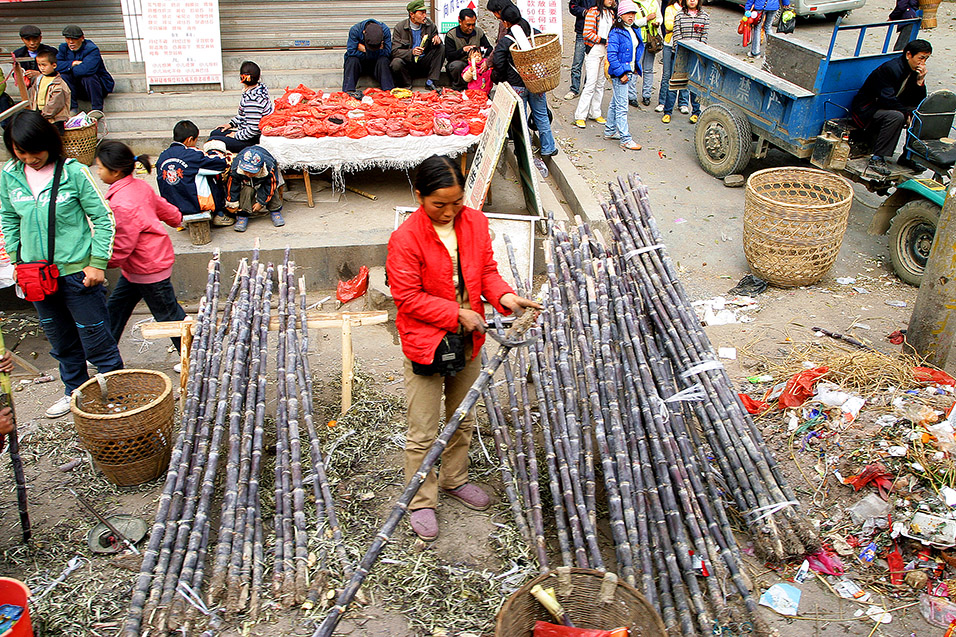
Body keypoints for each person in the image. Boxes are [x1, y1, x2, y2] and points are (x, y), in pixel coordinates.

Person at [386, 155, 541, 542]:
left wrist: (505, 297)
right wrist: (458, 313)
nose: (449, 211)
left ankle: (454, 478)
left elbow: (486, 270)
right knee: (422, 430)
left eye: (456, 202)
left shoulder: (474, 222)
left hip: (467, 339)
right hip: (425, 341)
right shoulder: (406, 239)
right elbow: (407, 298)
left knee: (463, 417)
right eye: (439, 204)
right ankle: (421, 499)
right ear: (419, 196)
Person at [0, 111, 122, 419]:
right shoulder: (9, 176)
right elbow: (9, 219)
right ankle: (74, 393)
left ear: (50, 143)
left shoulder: (73, 172)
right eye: (20, 151)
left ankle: (116, 395)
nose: (30, 158)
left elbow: (104, 219)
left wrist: (96, 264)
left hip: (77, 275)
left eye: (35, 150)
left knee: (97, 340)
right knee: (61, 341)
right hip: (36, 276)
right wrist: (17, 260)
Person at [95, 141, 187, 358]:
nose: (97, 172)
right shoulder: (138, 186)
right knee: (116, 309)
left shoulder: (121, 202)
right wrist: (177, 219)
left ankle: (193, 359)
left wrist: (99, 263)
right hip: (138, 268)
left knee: (169, 316)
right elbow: (164, 208)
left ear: (115, 171)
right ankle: (104, 355)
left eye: (100, 168)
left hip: (148, 268)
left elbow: (122, 246)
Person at [851, 39, 930, 177]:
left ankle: (908, 156)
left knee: (919, 114)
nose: (922, 63)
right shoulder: (891, 68)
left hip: (888, 106)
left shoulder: (913, 72)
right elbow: (886, 99)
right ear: (908, 55)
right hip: (867, 109)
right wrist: (906, 114)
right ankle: (877, 158)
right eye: (921, 58)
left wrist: (920, 81)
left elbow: (918, 101)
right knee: (896, 116)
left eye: (926, 59)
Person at [492, 5, 558, 157]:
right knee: (541, 114)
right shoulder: (536, 34)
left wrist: (502, 78)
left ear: (506, 22)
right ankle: (548, 148)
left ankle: (525, 152)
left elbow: (498, 62)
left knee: (520, 120)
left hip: (517, 86)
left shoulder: (507, 40)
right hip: (537, 84)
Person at [158, 121, 232, 227]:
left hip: (171, 205)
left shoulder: (162, 156)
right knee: (212, 175)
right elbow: (220, 165)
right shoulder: (192, 155)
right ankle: (219, 212)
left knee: (194, 174)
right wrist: (215, 152)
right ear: (190, 139)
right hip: (193, 205)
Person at [208, 62, 273, 153]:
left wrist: (236, 135)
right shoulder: (258, 89)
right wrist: (231, 124)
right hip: (246, 132)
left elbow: (253, 129)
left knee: (213, 141)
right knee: (216, 133)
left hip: (252, 138)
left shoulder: (253, 100)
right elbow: (243, 115)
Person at [605, 1, 644, 150]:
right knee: (622, 107)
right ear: (620, 15)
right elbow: (612, 55)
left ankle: (609, 130)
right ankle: (625, 139)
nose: (631, 16)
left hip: (628, 71)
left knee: (616, 102)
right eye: (628, 13)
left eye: (633, 13)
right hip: (621, 73)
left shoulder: (633, 29)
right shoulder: (616, 32)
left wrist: (634, 68)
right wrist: (622, 72)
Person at [573, 0, 616, 128]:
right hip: (594, 50)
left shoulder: (611, 14)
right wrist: (602, 40)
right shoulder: (593, 12)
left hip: (606, 51)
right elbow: (587, 33)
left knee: (600, 83)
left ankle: (595, 112)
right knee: (590, 83)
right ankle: (580, 115)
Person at [663, 0, 707, 123]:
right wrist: (681, 53)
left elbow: (704, 37)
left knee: (694, 85)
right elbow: (677, 36)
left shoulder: (704, 16)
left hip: (696, 56)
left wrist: (697, 53)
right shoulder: (679, 15)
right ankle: (668, 112)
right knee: (674, 82)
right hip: (680, 54)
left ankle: (696, 112)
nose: (692, 1)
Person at [55, 25, 114, 116]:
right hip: (78, 88)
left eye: (74, 39)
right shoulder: (63, 48)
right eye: (68, 39)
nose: (71, 42)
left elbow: (85, 70)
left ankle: (97, 109)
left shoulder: (91, 49)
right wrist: (73, 63)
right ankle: (73, 107)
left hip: (97, 86)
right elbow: (56, 65)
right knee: (64, 76)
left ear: (82, 38)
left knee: (88, 77)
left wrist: (67, 68)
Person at [225, 145, 284, 232]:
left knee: (271, 189)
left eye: (252, 173)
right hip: (245, 183)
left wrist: (261, 202)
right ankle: (243, 214)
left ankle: (275, 210)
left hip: (265, 179)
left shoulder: (269, 167)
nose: (248, 175)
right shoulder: (235, 168)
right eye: (246, 172)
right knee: (247, 189)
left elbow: (270, 185)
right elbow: (232, 187)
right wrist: (232, 203)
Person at [392, 0, 445, 91]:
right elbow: (394, 51)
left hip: (424, 61)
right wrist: (411, 52)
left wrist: (437, 40)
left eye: (425, 13)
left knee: (441, 48)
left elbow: (435, 43)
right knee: (396, 62)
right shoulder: (400, 28)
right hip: (409, 63)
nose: (425, 16)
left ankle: (431, 81)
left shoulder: (430, 25)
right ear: (412, 14)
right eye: (421, 13)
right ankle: (406, 84)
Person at [343, 19, 396, 94]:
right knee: (352, 60)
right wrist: (377, 51)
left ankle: (388, 90)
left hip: (377, 64)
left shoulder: (385, 30)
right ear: (364, 32)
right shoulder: (355, 30)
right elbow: (351, 52)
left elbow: (388, 53)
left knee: (384, 60)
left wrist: (365, 50)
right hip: (361, 63)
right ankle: (348, 91)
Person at [445, 9, 493, 91]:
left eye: (473, 25)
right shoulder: (451, 35)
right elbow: (449, 56)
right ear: (460, 21)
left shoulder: (479, 32)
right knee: (456, 66)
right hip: (461, 63)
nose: (471, 28)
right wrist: (462, 51)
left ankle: (481, 87)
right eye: (468, 25)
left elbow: (489, 49)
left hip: (477, 65)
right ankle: (459, 87)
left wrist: (477, 52)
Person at [656, 0, 690, 114]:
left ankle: (683, 103)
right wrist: (683, 23)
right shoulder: (670, 8)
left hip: (685, 45)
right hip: (669, 44)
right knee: (667, 75)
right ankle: (662, 101)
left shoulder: (691, 10)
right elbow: (668, 25)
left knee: (683, 74)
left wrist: (676, 24)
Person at [27, 50, 71, 128]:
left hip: (55, 119)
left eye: (44, 65)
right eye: (39, 65)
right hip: (41, 115)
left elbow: (56, 103)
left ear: (54, 65)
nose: (41, 68)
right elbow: (33, 96)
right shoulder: (38, 79)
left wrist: (44, 114)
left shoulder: (58, 83)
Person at [566, 0, 598, 100]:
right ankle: (574, 89)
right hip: (581, 31)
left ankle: (587, 88)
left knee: (592, 63)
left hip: (596, 33)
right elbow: (572, 6)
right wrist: (585, 12)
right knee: (577, 62)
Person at [632, 0, 662, 107]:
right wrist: (647, 19)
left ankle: (647, 95)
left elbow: (659, 17)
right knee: (635, 68)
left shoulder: (653, 2)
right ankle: (632, 96)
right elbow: (633, 23)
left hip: (651, 40)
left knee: (648, 69)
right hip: (638, 40)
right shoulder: (633, 3)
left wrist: (657, 22)